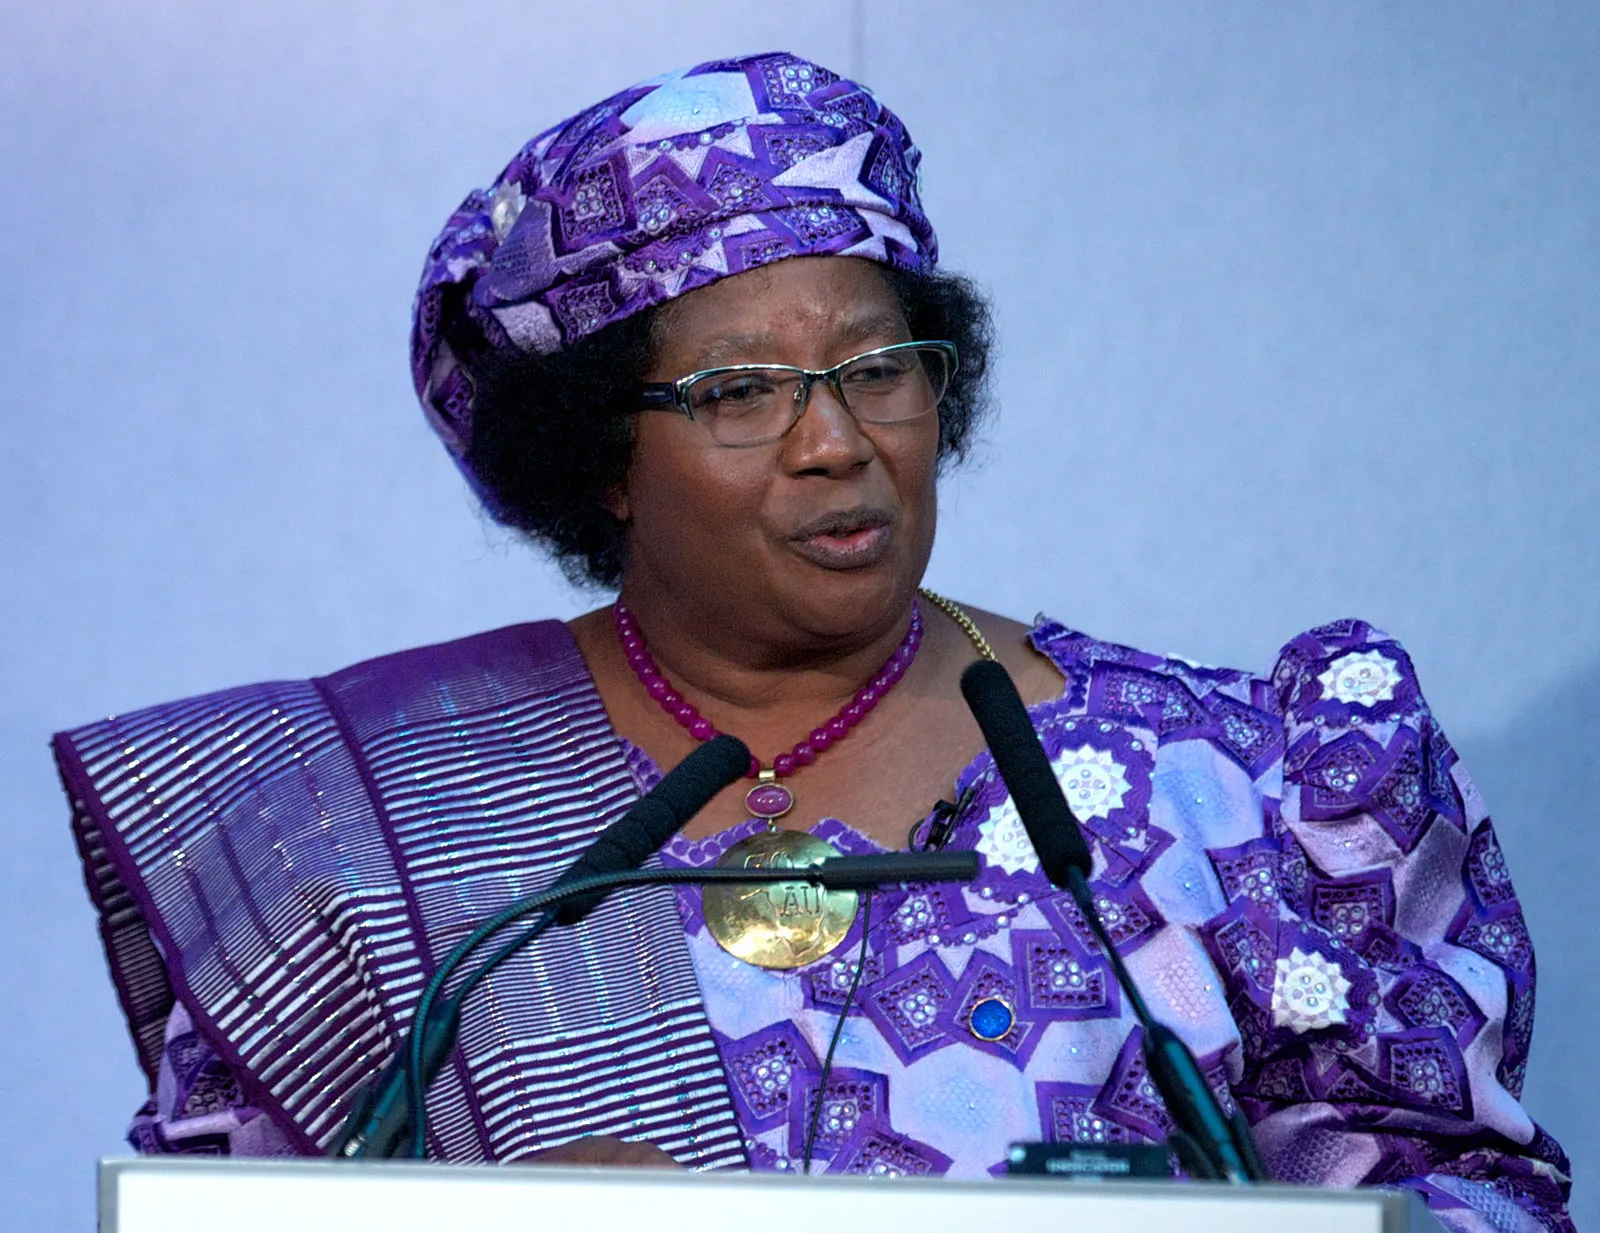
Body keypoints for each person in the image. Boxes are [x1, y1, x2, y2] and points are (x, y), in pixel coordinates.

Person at [56, 52, 1571, 1230]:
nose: (836, 443)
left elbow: (1463, 1204)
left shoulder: (1228, 783)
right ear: (600, 460)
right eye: (739, 394)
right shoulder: (354, 818)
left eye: (879, 369)